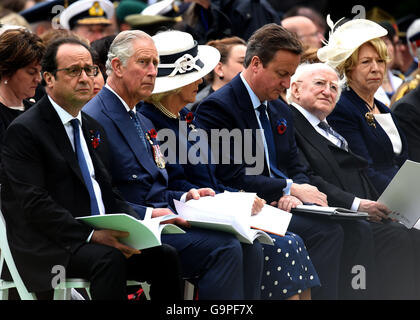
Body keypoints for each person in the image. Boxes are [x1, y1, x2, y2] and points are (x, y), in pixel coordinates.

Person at [140, 29, 320, 300]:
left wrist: (238, 198)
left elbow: (212, 179)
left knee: (286, 242)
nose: (201, 80)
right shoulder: (152, 123)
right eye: (193, 76)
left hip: (215, 210)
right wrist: (232, 200)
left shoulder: (186, 119)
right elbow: (176, 185)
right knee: (276, 245)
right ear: (174, 85)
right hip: (186, 217)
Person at [83, 30, 264, 300]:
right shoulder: (95, 117)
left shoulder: (140, 119)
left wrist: (186, 196)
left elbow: (154, 186)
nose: (153, 72)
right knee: (224, 249)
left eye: (156, 64)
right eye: (144, 63)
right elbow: (100, 195)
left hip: (163, 221)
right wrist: (148, 214)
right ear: (118, 67)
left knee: (252, 245)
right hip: (130, 228)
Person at [0, 37, 183, 300]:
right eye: (74, 71)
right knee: (109, 259)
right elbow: (34, 203)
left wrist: (138, 225)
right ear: (49, 78)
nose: (86, 78)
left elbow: (107, 192)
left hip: (93, 238)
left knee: (164, 256)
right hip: (49, 245)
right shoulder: (26, 129)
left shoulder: (91, 126)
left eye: (90, 69)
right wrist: (90, 235)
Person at [195, 23, 346, 300]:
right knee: (325, 233)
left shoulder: (279, 107)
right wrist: (286, 188)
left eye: (291, 74)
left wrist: (294, 192)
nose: (287, 83)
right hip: (244, 205)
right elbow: (231, 175)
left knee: (346, 227)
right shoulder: (218, 108)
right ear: (255, 64)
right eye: (281, 74)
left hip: (279, 203)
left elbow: (293, 165)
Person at [288, 62, 420, 299]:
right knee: (395, 236)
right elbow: (307, 177)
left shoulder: (327, 127)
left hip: (363, 208)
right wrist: (358, 204)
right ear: (296, 89)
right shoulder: (290, 122)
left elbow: (357, 169)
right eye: (320, 84)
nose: (328, 91)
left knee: (410, 230)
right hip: (334, 212)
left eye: (333, 88)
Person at [319, 18, 409, 195]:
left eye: (381, 61)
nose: (376, 68)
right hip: (377, 200)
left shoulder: (384, 109)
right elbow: (364, 169)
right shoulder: (341, 108)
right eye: (366, 62)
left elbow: (403, 162)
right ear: (348, 67)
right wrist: (405, 195)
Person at [0, 28, 45, 168]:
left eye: (40, 71)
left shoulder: (38, 110)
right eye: (31, 72)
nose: (38, 79)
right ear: (6, 71)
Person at [187, 36, 246, 110]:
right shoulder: (201, 107)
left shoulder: (250, 101)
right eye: (242, 62)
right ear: (219, 69)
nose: (250, 67)